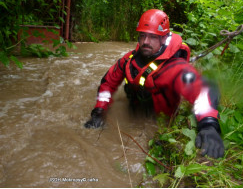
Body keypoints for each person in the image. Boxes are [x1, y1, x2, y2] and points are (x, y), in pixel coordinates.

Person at [84, 9, 224, 159]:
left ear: (164, 38)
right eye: (143, 35)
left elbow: (202, 90)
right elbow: (108, 84)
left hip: (160, 120)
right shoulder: (128, 61)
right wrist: (99, 111)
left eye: (152, 37)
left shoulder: (176, 68)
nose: (145, 42)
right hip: (135, 110)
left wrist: (208, 124)